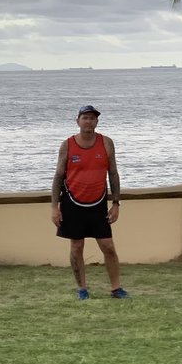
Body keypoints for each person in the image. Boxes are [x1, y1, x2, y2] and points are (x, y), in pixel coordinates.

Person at [51, 104, 129, 300]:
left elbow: (113, 173)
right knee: (76, 247)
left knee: (108, 247)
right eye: (85, 118)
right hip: (72, 203)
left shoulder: (107, 143)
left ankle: (116, 288)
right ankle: (83, 289)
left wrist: (116, 203)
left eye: (92, 118)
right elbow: (58, 177)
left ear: (97, 122)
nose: (89, 121)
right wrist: (54, 207)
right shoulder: (67, 145)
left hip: (98, 204)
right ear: (77, 121)